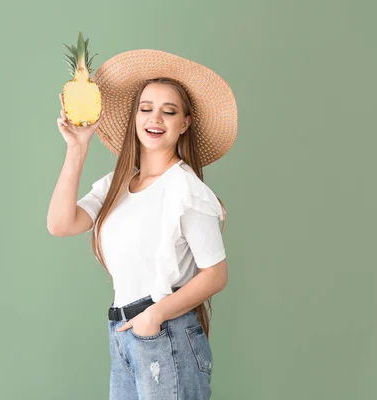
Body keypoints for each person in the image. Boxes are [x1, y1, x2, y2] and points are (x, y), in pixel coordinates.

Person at [47, 49, 238, 400]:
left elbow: (216, 273)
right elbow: (61, 224)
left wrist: (154, 317)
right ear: (135, 116)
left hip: (164, 332)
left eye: (170, 111)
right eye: (146, 108)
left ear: (185, 123)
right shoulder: (116, 184)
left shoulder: (185, 189)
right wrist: (77, 149)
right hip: (122, 331)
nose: (156, 119)